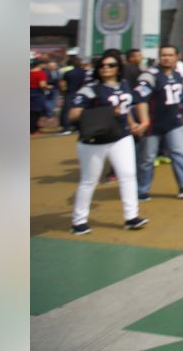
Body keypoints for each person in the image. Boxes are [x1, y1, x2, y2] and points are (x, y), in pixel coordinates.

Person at [66, 50, 150, 234]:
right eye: (102, 65)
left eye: (111, 65)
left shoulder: (124, 85)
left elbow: (125, 109)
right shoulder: (91, 89)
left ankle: (131, 217)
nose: (106, 68)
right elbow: (73, 114)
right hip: (95, 139)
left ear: (118, 68)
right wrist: (107, 112)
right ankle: (78, 221)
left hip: (121, 136)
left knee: (128, 175)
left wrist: (133, 123)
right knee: (89, 181)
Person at [135, 46, 183, 201]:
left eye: (170, 55)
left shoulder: (178, 75)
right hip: (153, 125)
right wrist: (144, 120)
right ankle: (141, 190)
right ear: (159, 57)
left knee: (179, 153)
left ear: (176, 57)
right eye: (164, 55)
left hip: (174, 122)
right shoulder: (149, 75)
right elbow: (140, 98)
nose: (167, 58)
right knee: (147, 159)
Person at [58, 56, 91, 135]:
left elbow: (62, 84)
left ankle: (66, 128)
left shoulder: (68, 73)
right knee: (80, 110)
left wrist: (63, 92)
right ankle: (77, 127)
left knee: (66, 111)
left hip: (70, 92)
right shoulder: (84, 72)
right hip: (81, 93)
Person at [30, 58, 51, 135]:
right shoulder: (41, 73)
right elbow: (42, 85)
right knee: (36, 112)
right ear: (40, 64)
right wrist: (49, 87)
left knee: (30, 112)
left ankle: (31, 128)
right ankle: (34, 129)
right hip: (37, 94)